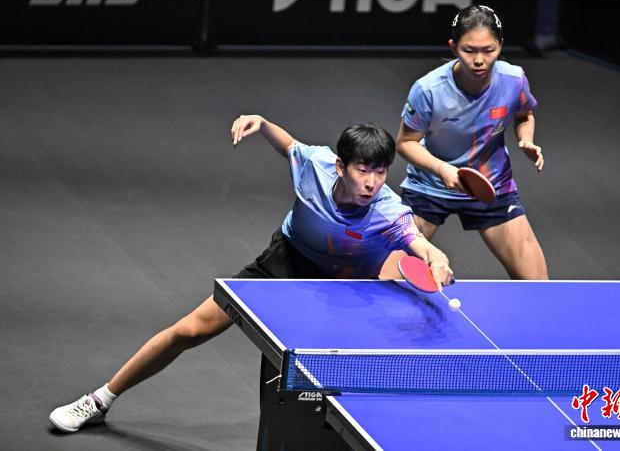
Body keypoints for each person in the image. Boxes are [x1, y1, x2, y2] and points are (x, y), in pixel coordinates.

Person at [49, 115, 455, 433]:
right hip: (285, 262)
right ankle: (99, 400)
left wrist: (437, 260)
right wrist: (261, 123)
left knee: (330, 377)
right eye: (362, 170)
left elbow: (420, 244)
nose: (371, 183)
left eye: (380, 172)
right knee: (189, 330)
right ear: (340, 166)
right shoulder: (316, 165)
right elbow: (289, 145)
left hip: (342, 290)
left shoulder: (388, 211)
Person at [381, 5, 548, 280]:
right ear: (453, 47)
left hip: (492, 185)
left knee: (539, 284)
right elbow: (406, 142)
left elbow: (524, 114)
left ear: (500, 45)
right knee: (388, 279)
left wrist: (526, 139)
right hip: (430, 186)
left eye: (488, 50)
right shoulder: (428, 89)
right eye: (469, 51)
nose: (479, 60)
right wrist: (442, 169)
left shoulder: (514, 80)